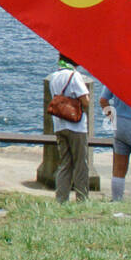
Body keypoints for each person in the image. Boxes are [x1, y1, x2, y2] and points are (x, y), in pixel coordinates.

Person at [45, 55, 91, 203]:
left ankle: (61, 199)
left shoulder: (54, 76)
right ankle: (82, 198)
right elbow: (85, 100)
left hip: (59, 124)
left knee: (65, 163)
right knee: (80, 164)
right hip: (76, 126)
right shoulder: (74, 76)